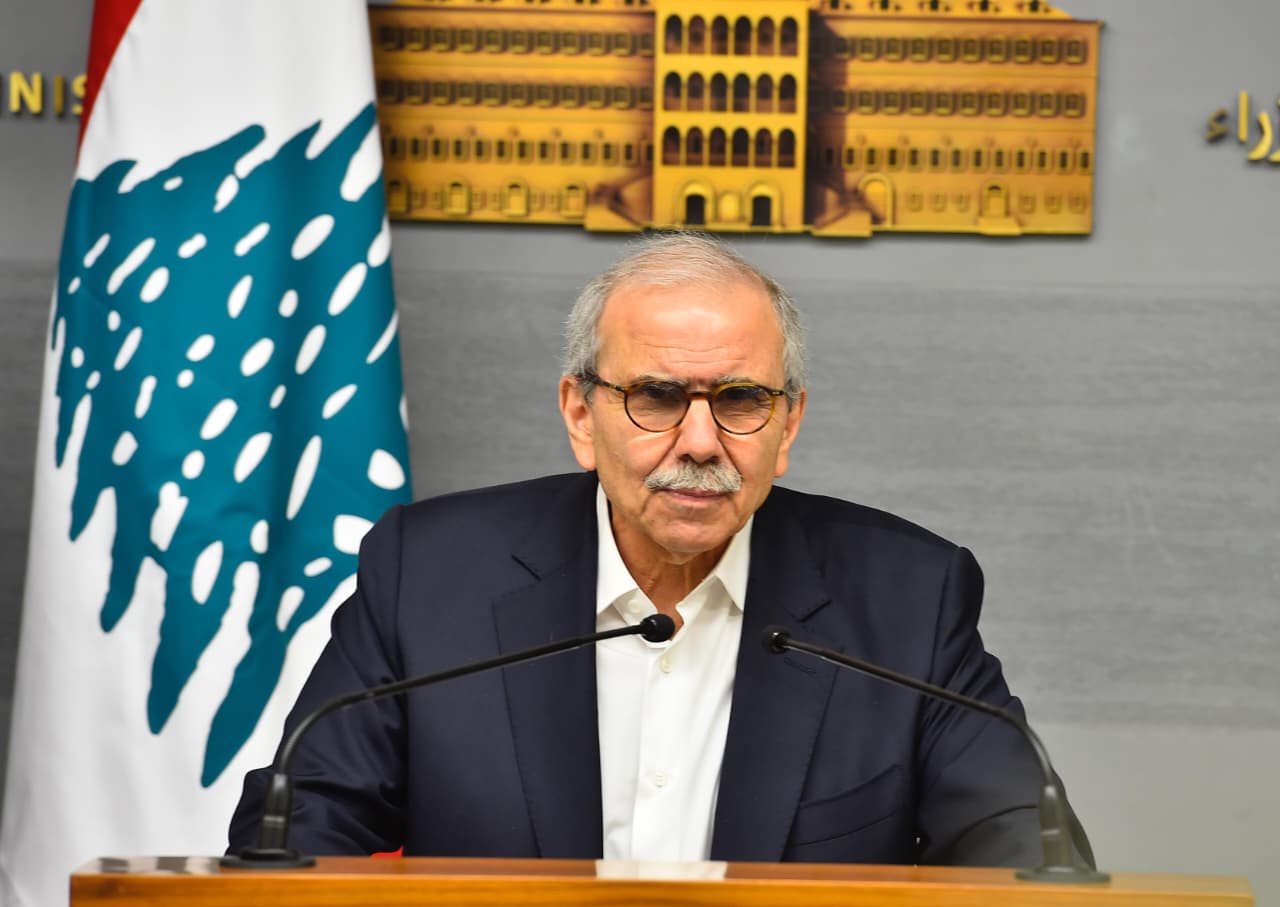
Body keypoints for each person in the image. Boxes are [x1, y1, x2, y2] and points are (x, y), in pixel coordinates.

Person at [229, 232, 1092, 867]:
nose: (701, 441)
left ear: (788, 424)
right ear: (580, 414)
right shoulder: (429, 576)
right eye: (656, 396)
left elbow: (1024, 847)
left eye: (742, 400)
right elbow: (300, 831)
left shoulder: (908, 599)